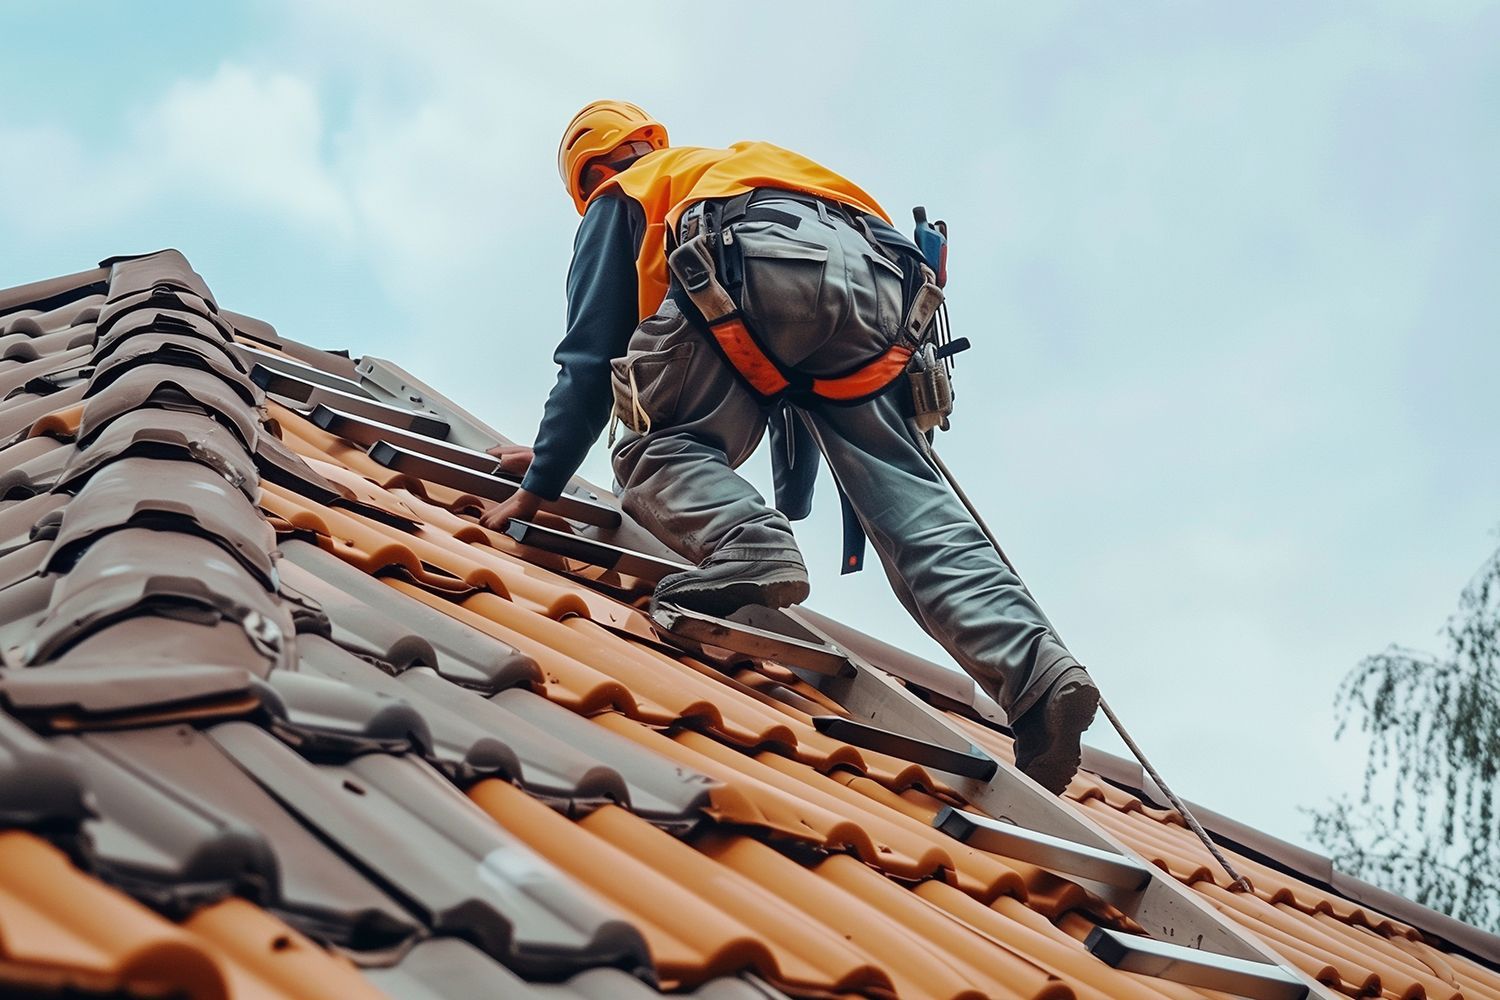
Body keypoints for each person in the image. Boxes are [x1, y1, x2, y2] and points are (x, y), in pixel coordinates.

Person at [481, 100, 1098, 793]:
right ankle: (1037, 674)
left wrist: (544, 475)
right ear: (646, 138)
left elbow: (591, 357)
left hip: (750, 270)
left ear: (589, 172)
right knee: (912, 507)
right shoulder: (750, 163)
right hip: (886, 290)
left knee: (656, 446)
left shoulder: (622, 194)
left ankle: (746, 542)